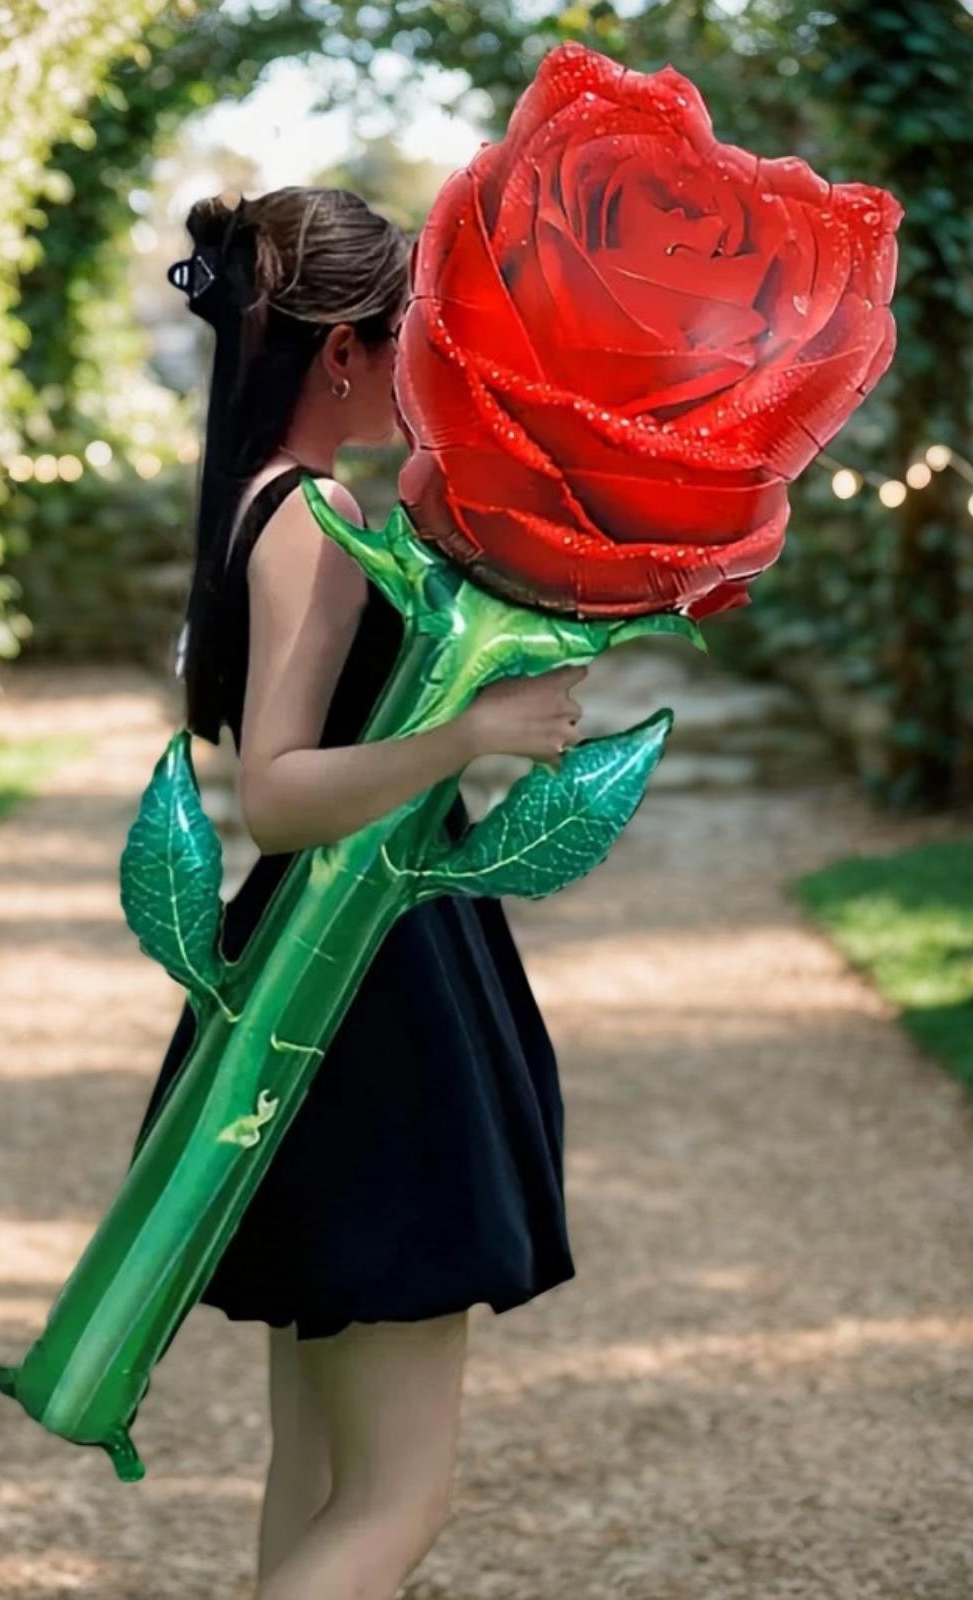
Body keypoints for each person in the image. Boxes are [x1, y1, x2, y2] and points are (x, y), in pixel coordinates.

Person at [134, 186, 586, 1600]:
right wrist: (470, 735)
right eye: (413, 341)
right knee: (400, 1496)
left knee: (321, 1467)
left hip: (324, 965)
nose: (425, 371)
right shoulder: (315, 513)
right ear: (343, 350)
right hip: (369, 992)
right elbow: (276, 789)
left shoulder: (265, 498)